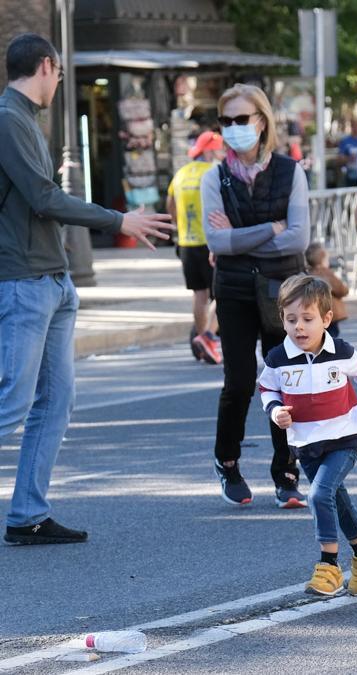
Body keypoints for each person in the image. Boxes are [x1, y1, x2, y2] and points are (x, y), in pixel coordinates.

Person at [1, 33, 174, 545]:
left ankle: (27, 514)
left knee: (56, 401)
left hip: (51, 279)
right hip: (25, 280)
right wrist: (119, 218)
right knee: (12, 400)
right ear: (48, 67)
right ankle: (28, 513)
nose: (59, 83)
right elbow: (43, 197)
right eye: (58, 74)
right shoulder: (9, 120)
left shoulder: (26, 120)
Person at [202, 83, 311, 509]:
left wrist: (238, 238)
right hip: (233, 290)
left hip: (281, 290)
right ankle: (227, 461)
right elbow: (216, 239)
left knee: (286, 379)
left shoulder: (290, 171)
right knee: (241, 381)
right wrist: (271, 229)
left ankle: (287, 472)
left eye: (241, 120)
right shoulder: (215, 176)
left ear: (261, 121)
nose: (233, 129)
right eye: (225, 121)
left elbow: (299, 238)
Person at [258, 274, 357, 596]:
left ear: (326, 319)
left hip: (343, 438)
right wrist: (275, 411)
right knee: (335, 498)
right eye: (291, 320)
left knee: (318, 495)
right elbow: (267, 388)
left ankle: (329, 565)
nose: (298, 327)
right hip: (305, 442)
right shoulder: (277, 358)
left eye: (307, 319)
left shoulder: (341, 351)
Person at [168, 130, 224, 365]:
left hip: (187, 242)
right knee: (223, 293)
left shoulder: (181, 174)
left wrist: (178, 227)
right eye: (220, 149)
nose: (222, 154)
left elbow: (170, 203)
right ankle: (209, 337)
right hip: (210, 242)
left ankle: (202, 343)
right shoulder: (214, 172)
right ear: (209, 150)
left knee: (199, 294)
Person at [305, 242, 349, 338]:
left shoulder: (307, 274)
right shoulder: (327, 274)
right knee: (332, 335)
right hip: (330, 313)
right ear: (323, 260)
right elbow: (342, 290)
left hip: (315, 313)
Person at [336, 116, 357, 187]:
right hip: (351, 176)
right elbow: (339, 159)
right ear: (352, 127)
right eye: (355, 126)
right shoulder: (345, 141)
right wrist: (349, 158)